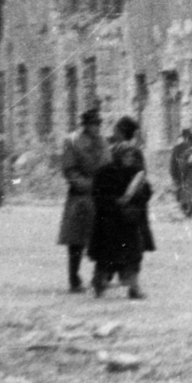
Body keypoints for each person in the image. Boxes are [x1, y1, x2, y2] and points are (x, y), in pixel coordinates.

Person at [88, 116, 155, 298]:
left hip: (129, 217)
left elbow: (145, 188)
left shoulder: (135, 167)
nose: (129, 158)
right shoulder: (106, 171)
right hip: (111, 219)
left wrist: (137, 197)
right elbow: (98, 194)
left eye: (131, 156)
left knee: (133, 255)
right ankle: (99, 282)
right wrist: (115, 202)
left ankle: (133, 287)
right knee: (107, 255)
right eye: (125, 156)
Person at [57, 108, 109, 292]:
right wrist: (86, 185)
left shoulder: (103, 142)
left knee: (102, 238)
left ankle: (99, 277)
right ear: (85, 125)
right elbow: (69, 170)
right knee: (76, 240)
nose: (96, 128)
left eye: (98, 124)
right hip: (80, 196)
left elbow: (108, 165)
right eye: (93, 124)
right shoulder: (72, 141)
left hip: (100, 196)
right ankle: (74, 278)